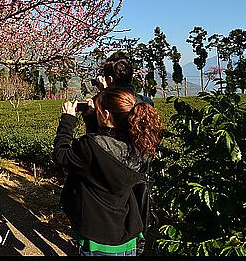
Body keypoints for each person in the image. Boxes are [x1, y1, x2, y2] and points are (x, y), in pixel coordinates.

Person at [53, 87, 164, 256]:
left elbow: (61, 155)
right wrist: (92, 119)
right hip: (127, 234)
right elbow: (105, 148)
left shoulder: (90, 147)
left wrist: (67, 121)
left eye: (98, 111)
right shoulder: (140, 146)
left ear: (105, 115)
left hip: (98, 238)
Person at [84, 53, 153, 134]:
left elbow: (96, 138)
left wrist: (103, 94)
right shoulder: (147, 102)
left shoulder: (104, 105)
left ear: (110, 79)